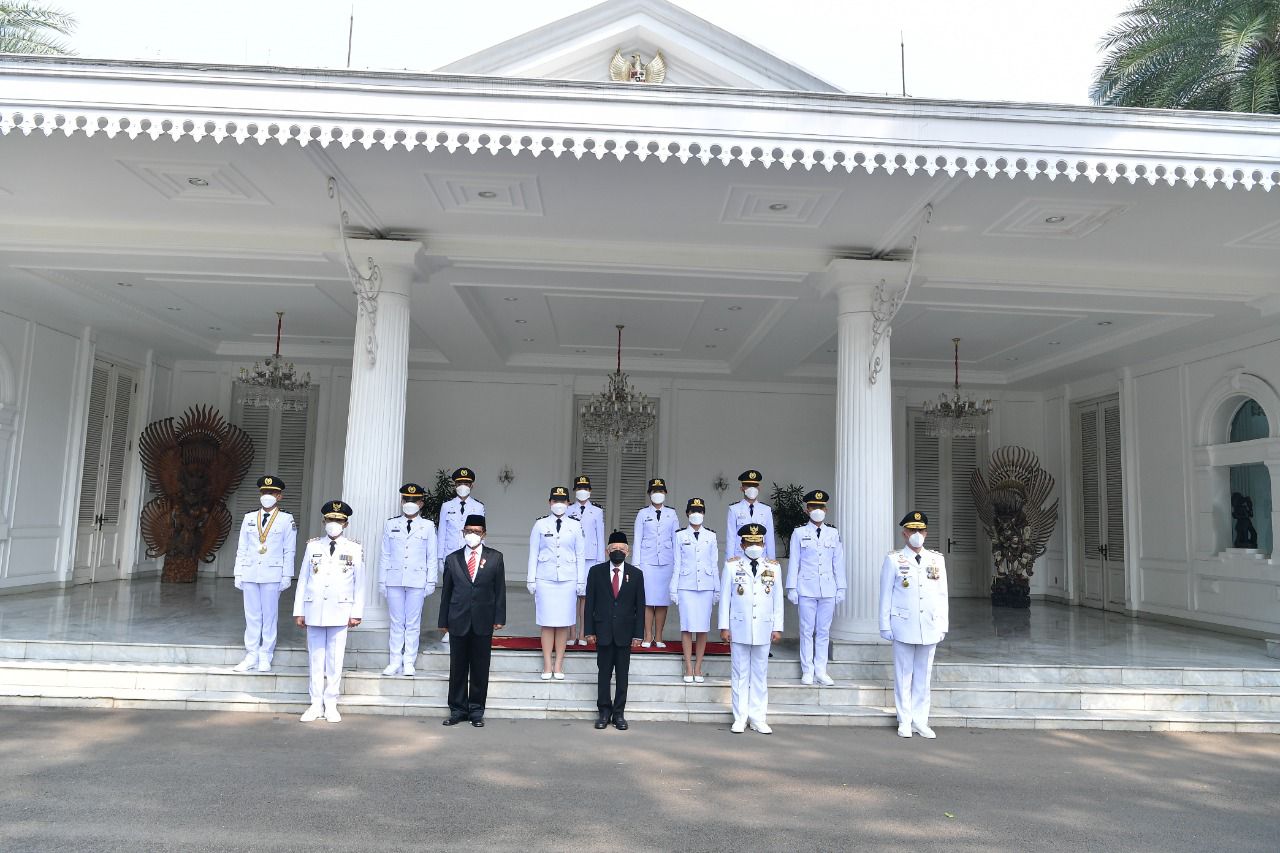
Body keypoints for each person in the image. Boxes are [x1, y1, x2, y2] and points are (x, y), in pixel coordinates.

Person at [879, 510, 949, 739]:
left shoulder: (936, 559)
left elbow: (942, 595)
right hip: (903, 625)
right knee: (903, 675)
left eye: (920, 530)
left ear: (926, 533)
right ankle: (905, 720)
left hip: (929, 625)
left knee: (923, 676)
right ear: (904, 533)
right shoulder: (894, 560)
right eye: (912, 530)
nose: (916, 534)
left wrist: (943, 624)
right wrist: (885, 625)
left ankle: (921, 721)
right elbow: (886, 595)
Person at [293, 500, 363, 723]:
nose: (334, 524)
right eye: (331, 520)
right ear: (324, 521)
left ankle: (331, 703)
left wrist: (356, 612)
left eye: (339, 521)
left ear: (346, 524)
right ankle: (315, 704)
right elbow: (303, 579)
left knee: (334, 659)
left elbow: (359, 583)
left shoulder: (354, 548)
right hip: (314, 609)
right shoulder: (313, 546)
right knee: (316, 659)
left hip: (340, 610)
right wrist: (299, 610)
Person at [439, 514, 506, 728]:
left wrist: (499, 617)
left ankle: (476, 711)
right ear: (463, 532)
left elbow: (499, 590)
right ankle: (457, 710)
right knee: (457, 667)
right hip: (458, 619)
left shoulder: (495, 557)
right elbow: (446, 592)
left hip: (483, 619)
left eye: (476, 531)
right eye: (468, 531)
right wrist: (443, 620)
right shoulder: (453, 558)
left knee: (480, 668)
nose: (472, 534)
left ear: (484, 534)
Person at [719, 523, 783, 734]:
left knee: (760, 675)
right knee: (739, 674)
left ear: (763, 544)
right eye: (749, 543)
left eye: (758, 543)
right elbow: (725, 599)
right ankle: (740, 717)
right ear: (742, 544)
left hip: (764, 627)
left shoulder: (773, 567)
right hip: (739, 627)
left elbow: (777, 600)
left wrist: (777, 627)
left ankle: (758, 718)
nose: (754, 547)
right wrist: (724, 626)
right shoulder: (731, 566)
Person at [232, 475, 297, 673]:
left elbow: (289, 550)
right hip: (250, 571)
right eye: (264, 492)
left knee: (269, 616)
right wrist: (238, 572)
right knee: (251, 615)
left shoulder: (286, 519)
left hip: (272, 573)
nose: (267, 495)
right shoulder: (249, 517)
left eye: (272, 493)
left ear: (279, 496)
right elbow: (242, 547)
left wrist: (287, 575)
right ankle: (251, 654)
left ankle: (266, 654)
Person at [785, 489, 846, 686]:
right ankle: (807, 670)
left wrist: (841, 587)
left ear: (826, 509)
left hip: (828, 588)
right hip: (806, 588)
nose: (817, 510)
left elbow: (838, 562)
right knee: (806, 630)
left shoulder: (833, 533)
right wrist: (791, 587)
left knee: (823, 631)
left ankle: (821, 670)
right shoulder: (799, 533)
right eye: (813, 507)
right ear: (807, 509)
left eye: (821, 507)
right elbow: (794, 561)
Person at [584, 531, 644, 730]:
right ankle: (604, 712)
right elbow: (589, 603)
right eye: (614, 548)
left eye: (621, 549)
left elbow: (640, 606)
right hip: (603, 632)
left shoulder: (636, 574)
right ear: (607, 551)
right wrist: (589, 630)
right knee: (604, 674)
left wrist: (638, 634)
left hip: (625, 633)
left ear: (628, 552)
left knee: (622, 675)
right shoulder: (596, 572)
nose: (617, 551)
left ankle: (619, 714)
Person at [378, 482, 438, 677]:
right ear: (402, 501)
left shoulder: (428, 526)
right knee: (396, 622)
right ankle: (394, 660)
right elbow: (385, 554)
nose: (410, 503)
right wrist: (382, 580)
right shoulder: (391, 524)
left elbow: (431, 555)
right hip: (394, 578)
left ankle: (409, 661)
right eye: (406, 499)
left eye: (414, 500)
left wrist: (431, 580)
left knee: (412, 622)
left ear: (421, 503)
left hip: (417, 579)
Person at [528, 486, 587, 680]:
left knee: (563, 624)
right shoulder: (540, 524)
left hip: (568, 579)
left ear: (568, 503)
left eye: (562, 501)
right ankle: (547, 665)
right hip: (545, 579)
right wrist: (531, 578)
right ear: (550, 502)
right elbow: (533, 553)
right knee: (546, 623)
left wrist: (581, 581)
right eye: (555, 501)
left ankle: (559, 664)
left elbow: (580, 555)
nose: (559, 504)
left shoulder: (575, 526)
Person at [670, 497, 719, 683]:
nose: (696, 514)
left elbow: (714, 564)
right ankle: (688, 666)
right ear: (687, 513)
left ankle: (698, 666)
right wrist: (673, 588)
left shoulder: (711, 536)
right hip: (686, 585)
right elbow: (677, 563)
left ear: (704, 514)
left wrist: (717, 588)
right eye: (693, 511)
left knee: (702, 628)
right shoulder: (680, 535)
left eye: (699, 511)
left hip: (706, 586)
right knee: (687, 627)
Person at [436, 467, 484, 647]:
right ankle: (448, 629)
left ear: (472, 485)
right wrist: (440, 558)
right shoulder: (446, 506)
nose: (462, 486)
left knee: (468, 594)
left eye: (466, 483)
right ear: (454, 485)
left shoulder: (478, 507)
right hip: (451, 556)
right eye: (459, 483)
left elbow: (481, 532)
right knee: (449, 593)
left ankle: (466, 627)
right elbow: (442, 532)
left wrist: (481, 555)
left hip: (470, 554)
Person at [633, 477, 676, 647]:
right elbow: (637, 539)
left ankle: (658, 637)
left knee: (662, 601)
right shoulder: (643, 514)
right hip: (647, 562)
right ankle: (648, 635)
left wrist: (677, 563)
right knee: (648, 600)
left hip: (666, 561)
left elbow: (676, 540)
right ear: (649, 494)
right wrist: (636, 564)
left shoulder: (671, 514)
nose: (657, 494)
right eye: (654, 491)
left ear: (665, 493)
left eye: (660, 491)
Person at [566, 474, 605, 647]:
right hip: (572, 557)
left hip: (590, 558)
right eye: (579, 488)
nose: (582, 491)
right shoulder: (568, 509)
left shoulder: (597, 511)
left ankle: (583, 632)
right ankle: (571, 632)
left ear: (590, 491)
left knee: (586, 597)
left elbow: (600, 536)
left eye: (585, 488)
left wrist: (600, 562)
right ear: (575, 491)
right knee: (571, 596)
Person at [725, 469, 776, 560]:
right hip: (740, 556)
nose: (752, 489)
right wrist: (730, 559)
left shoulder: (766, 510)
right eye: (748, 485)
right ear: (742, 488)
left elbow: (769, 537)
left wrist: (771, 559)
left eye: (755, 486)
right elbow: (731, 536)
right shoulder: (734, 509)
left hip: (761, 556)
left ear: (759, 488)